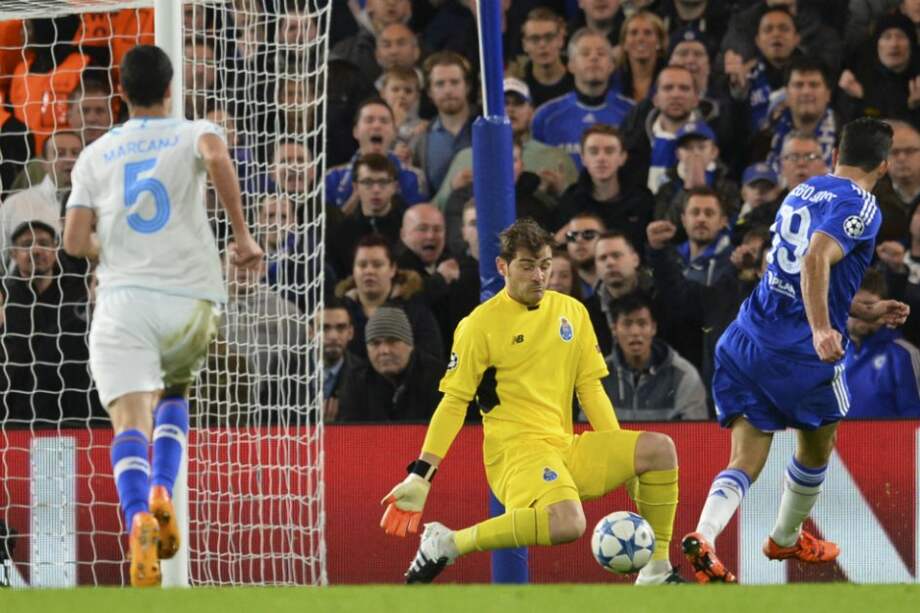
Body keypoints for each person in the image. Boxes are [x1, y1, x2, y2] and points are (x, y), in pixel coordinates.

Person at [380, 218, 684, 585]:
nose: (538, 276)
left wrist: (617, 451)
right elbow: (454, 402)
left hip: (564, 446)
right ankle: (446, 543)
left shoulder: (572, 311)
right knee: (569, 523)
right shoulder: (479, 325)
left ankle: (655, 570)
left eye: (544, 265)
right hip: (516, 453)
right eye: (527, 266)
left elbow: (590, 388)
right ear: (503, 267)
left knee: (660, 450)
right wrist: (422, 474)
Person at [61, 45, 263, 587]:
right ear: (170, 88)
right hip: (187, 297)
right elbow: (217, 156)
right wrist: (242, 238)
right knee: (174, 396)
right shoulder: (189, 130)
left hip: (123, 300)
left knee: (129, 421)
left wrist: (117, 251)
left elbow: (75, 240)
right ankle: (162, 488)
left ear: (120, 94)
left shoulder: (95, 154)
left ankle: (138, 520)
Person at [681, 118, 909, 584]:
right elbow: (813, 260)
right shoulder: (862, 205)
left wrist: (864, 311)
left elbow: (789, 279)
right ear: (883, 166)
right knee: (818, 446)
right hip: (800, 354)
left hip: (746, 338)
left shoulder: (801, 192)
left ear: (834, 156)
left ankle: (704, 535)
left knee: (744, 458)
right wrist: (824, 329)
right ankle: (786, 535)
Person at [601, 292, 708, 422]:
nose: (635, 332)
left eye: (642, 324)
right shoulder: (599, 376)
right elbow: (587, 431)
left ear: (653, 328)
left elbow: (697, 435)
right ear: (614, 330)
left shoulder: (683, 375)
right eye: (627, 324)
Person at [337, 306, 445, 422]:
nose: (384, 350)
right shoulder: (356, 380)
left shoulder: (439, 378)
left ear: (410, 345)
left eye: (392, 341)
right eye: (375, 343)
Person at [844, 269, 920, 419]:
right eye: (856, 308)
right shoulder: (827, 355)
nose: (863, 313)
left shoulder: (904, 355)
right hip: (836, 442)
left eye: (869, 306)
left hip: (891, 442)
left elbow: (915, 421)